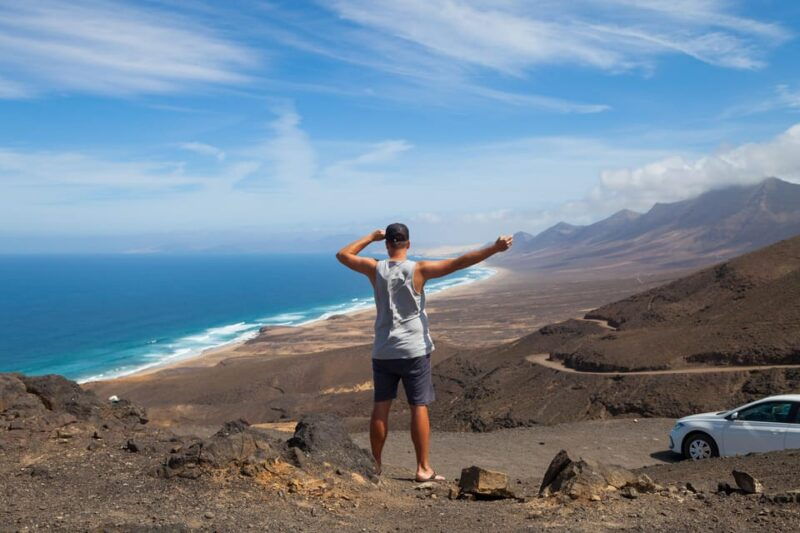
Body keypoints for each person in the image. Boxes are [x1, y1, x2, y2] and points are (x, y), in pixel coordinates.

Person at [336, 223, 513, 482]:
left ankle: (375, 466)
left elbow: (343, 255)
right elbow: (459, 262)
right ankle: (422, 468)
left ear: (387, 245)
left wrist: (370, 237)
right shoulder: (418, 269)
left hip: (383, 350)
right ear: (408, 244)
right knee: (418, 406)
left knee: (381, 407)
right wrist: (495, 249)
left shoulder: (375, 269)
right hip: (414, 350)